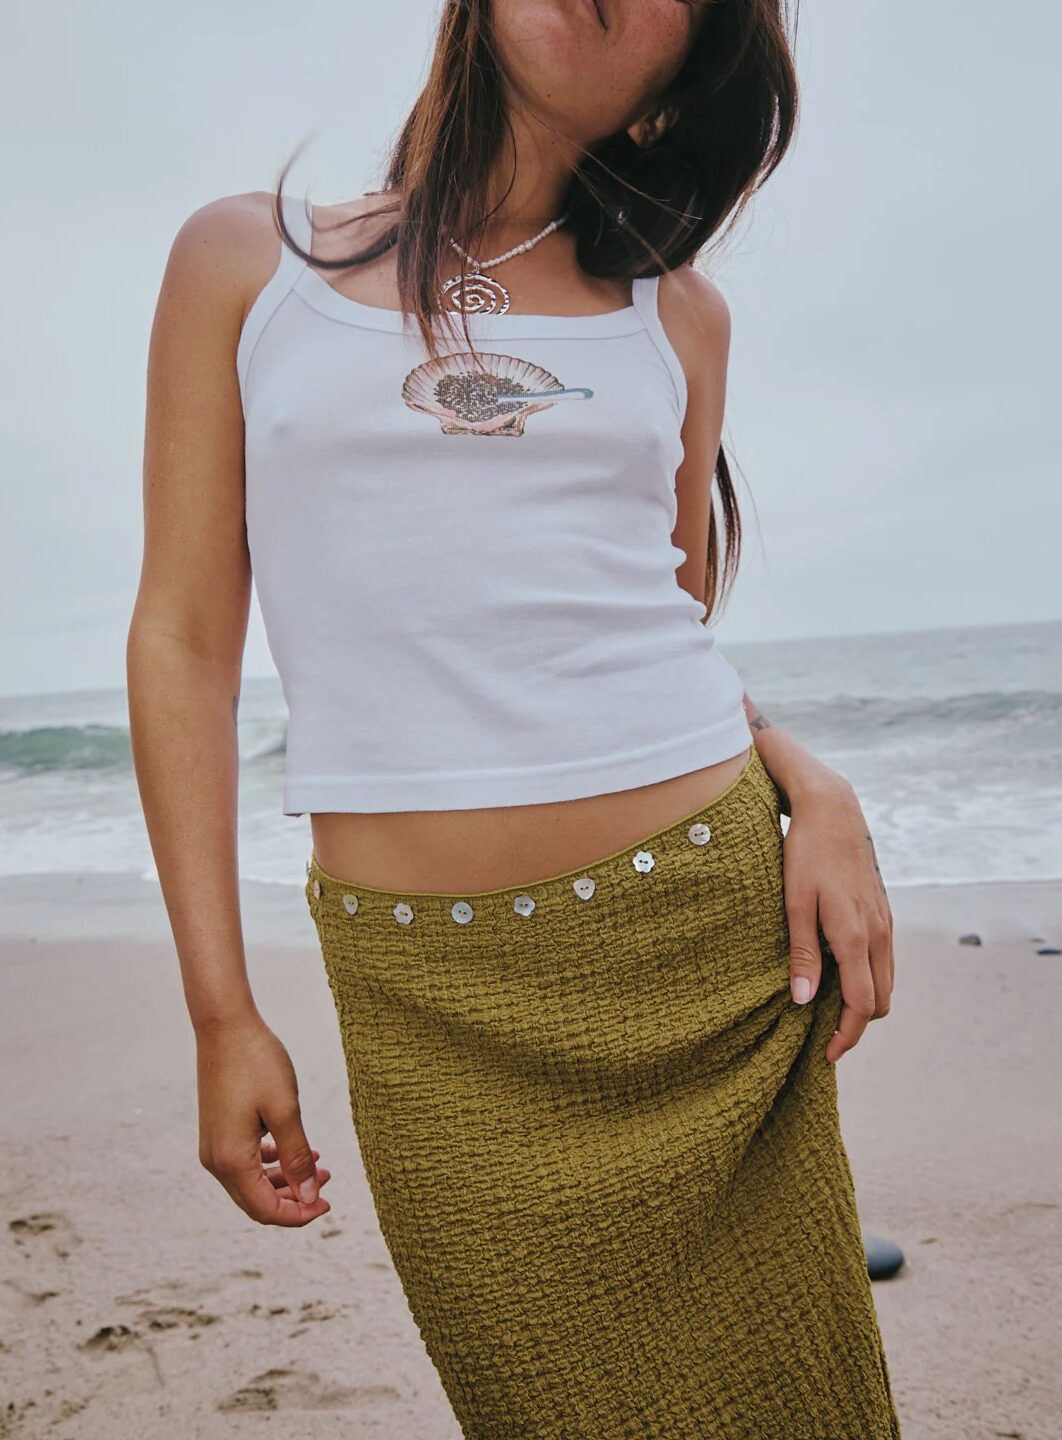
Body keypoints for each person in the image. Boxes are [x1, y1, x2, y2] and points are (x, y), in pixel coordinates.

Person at [127, 1, 903, 1434]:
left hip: (703, 958)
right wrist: (219, 1012)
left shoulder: (676, 313)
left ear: (676, 86)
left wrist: (807, 778)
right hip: (432, 1003)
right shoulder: (246, 259)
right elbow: (180, 638)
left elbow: (648, 612)